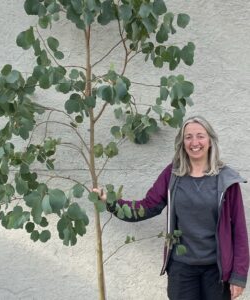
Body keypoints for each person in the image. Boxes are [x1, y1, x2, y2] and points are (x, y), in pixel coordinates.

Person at [94, 116, 249, 300]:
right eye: (188, 137)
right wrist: (111, 202)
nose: (194, 142)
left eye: (200, 136)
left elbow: (238, 231)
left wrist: (238, 277)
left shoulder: (226, 180)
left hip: (217, 270)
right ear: (182, 142)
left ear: (210, 140)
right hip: (182, 269)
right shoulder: (173, 174)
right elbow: (148, 206)